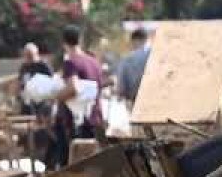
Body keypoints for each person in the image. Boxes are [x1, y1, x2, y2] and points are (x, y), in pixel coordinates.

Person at [48, 26, 104, 169]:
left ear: (64, 43)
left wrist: (55, 97)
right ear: (80, 40)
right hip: (95, 119)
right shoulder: (94, 62)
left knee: (72, 167)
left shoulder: (71, 62)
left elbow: (73, 89)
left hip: (75, 123)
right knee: (94, 165)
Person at [114, 28, 151, 103]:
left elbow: (121, 84)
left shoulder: (127, 59)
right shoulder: (155, 57)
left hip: (134, 99)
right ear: (145, 39)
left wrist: (119, 95)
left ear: (134, 40)